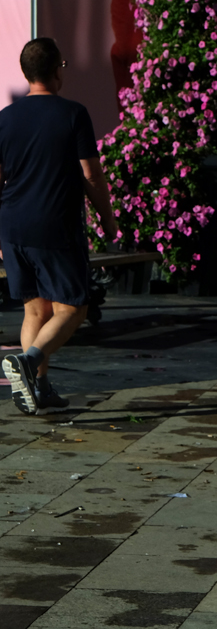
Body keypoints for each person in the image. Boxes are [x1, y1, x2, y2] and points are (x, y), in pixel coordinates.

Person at [0, 38, 119, 415]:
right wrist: (108, 218)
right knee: (73, 308)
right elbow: (92, 175)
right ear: (57, 70)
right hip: (55, 223)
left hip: (13, 224)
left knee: (35, 310)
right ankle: (29, 362)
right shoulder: (73, 113)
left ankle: (39, 390)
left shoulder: (4, 118)